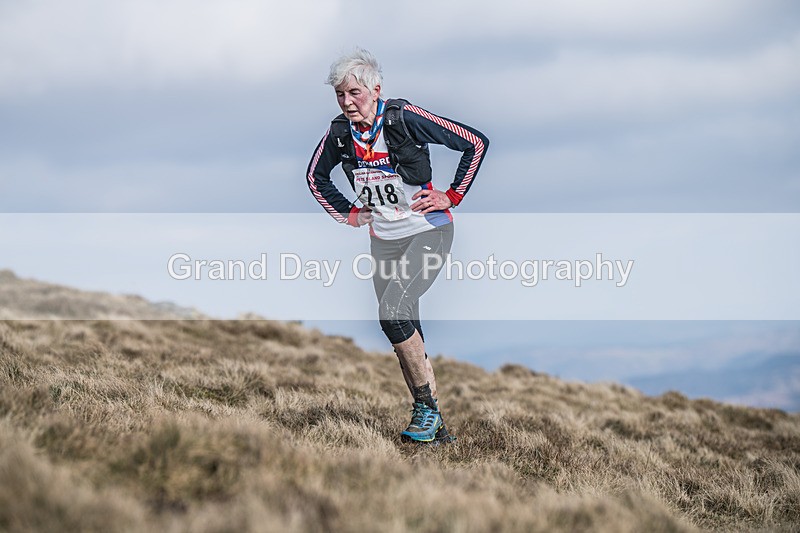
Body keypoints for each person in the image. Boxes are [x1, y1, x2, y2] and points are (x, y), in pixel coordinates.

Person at [306, 48, 489, 443]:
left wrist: (452, 195)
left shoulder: (403, 117)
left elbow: (475, 142)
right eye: (340, 95)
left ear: (375, 89)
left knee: (391, 314)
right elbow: (315, 177)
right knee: (405, 327)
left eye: (354, 92)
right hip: (384, 242)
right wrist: (348, 213)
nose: (347, 102)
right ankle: (435, 427)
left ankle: (424, 412)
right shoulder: (340, 132)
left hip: (428, 232)